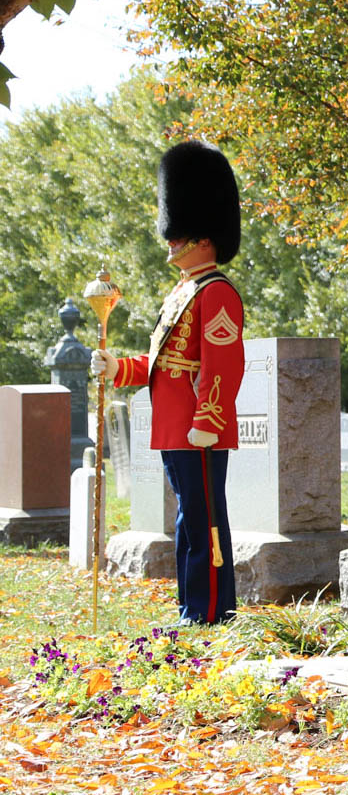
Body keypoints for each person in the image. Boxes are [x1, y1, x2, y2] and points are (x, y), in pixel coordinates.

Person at [91, 141, 246, 624]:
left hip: (197, 430)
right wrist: (119, 369)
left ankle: (212, 612)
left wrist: (209, 419)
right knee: (188, 522)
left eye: (179, 235)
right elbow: (163, 362)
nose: (170, 241)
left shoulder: (216, 292)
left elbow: (224, 366)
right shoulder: (183, 292)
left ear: (203, 237)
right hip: (173, 427)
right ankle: (191, 608)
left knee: (205, 523)